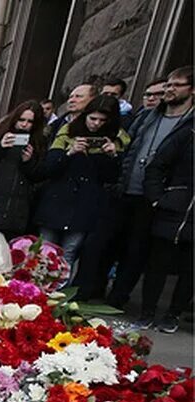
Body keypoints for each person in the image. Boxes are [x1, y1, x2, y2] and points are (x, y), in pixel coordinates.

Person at [83, 66, 194, 306]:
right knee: (101, 242)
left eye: (176, 85)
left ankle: (118, 298)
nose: (169, 90)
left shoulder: (189, 124)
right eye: (168, 85)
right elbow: (129, 145)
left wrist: (163, 196)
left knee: (136, 251)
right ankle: (91, 289)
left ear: (191, 90)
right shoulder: (147, 116)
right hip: (125, 189)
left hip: (155, 197)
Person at [34, 95, 126, 278]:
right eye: (92, 118)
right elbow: (49, 168)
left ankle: (58, 295)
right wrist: (70, 152)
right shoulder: (67, 132)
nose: (96, 124)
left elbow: (112, 178)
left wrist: (112, 156)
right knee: (44, 251)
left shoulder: (116, 139)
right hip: (57, 201)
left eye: (102, 120)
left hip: (85, 206)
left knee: (69, 252)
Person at [137, 105, 192, 332]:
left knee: (191, 270)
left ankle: (173, 314)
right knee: (157, 265)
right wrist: (157, 198)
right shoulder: (188, 132)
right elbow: (157, 165)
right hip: (173, 207)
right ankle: (147, 311)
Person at [0, 101, 48, 238]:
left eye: (30, 121)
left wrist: (28, 162)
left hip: (12, 213)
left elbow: (39, 176)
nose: (24, 124)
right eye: (21, 120)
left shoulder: (38, 145)